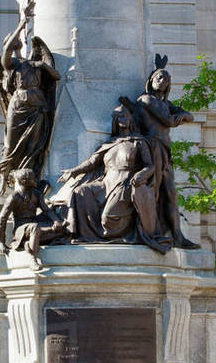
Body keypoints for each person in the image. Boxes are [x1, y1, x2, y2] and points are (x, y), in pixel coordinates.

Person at [57, 104, 172, 253]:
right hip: (106, 183)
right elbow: (92, 162)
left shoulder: (139, 142)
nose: (123, 120)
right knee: (80, 192)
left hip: (125, 183)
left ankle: (110, 237)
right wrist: (73, 172)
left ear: (131, 120)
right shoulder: (110, 143)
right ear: (115, 121)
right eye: (119, 117)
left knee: (107, 218)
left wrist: (140, 175)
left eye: (126, 116)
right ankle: (80, 234)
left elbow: (150, 166)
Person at [133, 65, 197, 249]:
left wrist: (183, 114)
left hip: (165, 149)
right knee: (154, 191)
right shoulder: (146, 100)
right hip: (153, 148)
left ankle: (178, 236)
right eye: (160, 77)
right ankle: (150, 231)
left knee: (171, 193)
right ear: (151, 80)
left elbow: (191, 117)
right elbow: (169, 121)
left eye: (167, 79)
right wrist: (181, 114)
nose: (163, 81)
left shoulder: (164, 104)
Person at [0, 14, 60, 192]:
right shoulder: (11, 64)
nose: (14, 41)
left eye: (16, 39)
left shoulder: (34, 63)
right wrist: (20, 27)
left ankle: (29, 178)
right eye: (11, 40)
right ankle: (4, 176)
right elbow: (7, 50)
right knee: (10, 144)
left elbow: (56, 76)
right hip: (19, 105)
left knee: (34, 144)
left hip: (38, 104)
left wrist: (43, 66)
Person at [0, 169, 66, 258]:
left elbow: (47, 210)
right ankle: (32, 258)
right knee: (35, 228)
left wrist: (56, 221)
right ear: (24, 181)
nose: (35, 180)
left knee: (62, 230)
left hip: (35, 225)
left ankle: (27, 243)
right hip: (21, 228)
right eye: (33, 178)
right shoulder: (14, 197)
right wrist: (0, 242)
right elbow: (2, 218)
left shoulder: (37, 194)